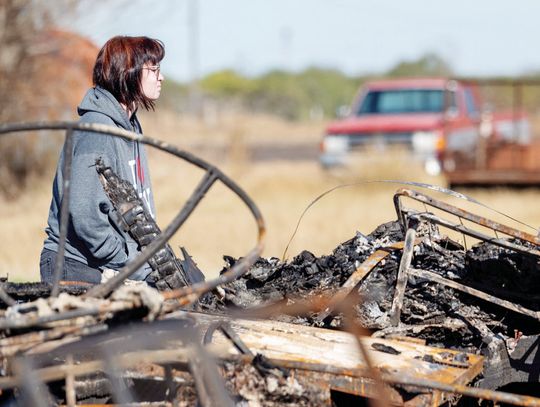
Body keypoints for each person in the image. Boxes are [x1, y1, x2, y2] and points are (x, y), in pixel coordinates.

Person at [40, 36, 164, 284]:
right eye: (154, 70)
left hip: (108, 266)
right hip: (78, 268)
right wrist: (128, 261)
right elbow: (85, 215)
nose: (161, 77)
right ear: (127, 72)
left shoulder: (129, 126)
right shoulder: (97, 129)